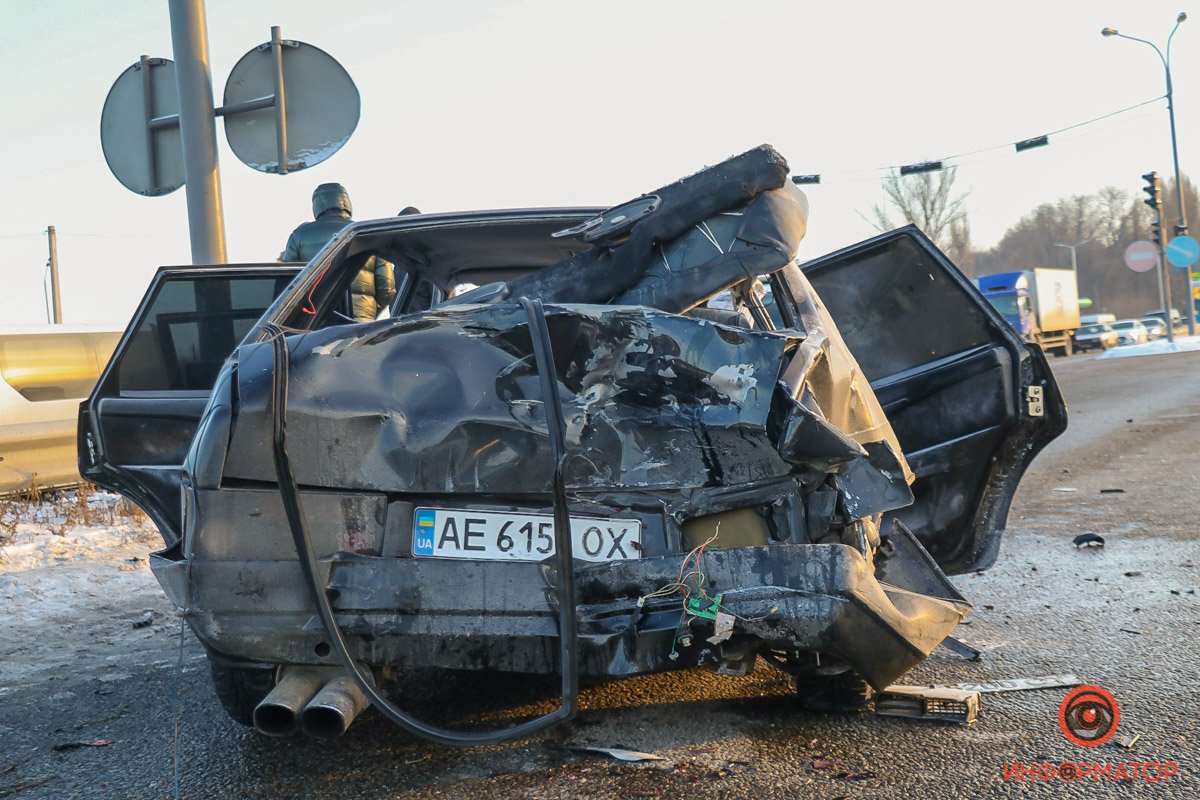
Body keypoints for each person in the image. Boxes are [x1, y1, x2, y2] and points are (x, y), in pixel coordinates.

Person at [283, 183, 396, 321]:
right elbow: (387, 288)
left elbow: (288, 286)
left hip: (316, 326)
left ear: (317, 206)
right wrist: (368, 312)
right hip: (362, 327)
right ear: (347, 203)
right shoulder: (369, 234)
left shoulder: (299, 236)